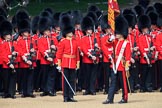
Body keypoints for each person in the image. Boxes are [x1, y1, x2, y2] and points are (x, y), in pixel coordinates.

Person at [103, 15, 131, 104]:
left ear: (122, 33)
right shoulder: (115, 41)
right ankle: (110, 99)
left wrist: (127, 66)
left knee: (123, 84)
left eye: (118, 33)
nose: (116, 35)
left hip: (122, 65)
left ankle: (125, 98)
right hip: (115, 65)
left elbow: (128, 56)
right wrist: (110, 39)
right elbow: (107, 44)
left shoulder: (126, 43)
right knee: (113, 83)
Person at [56, 14, 79, 102]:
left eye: (71, 32)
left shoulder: (75, 42)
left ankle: (71, 96)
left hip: (72, 62)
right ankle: (65, 96)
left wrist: (77, 63)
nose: (71, 33)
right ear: (66, 33)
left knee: (72, 80)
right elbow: (59, 53)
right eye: (69, 32)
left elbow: (76, 53)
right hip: (65, 62)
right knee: (65, 81)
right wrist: (58, 64)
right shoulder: (63, 42)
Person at [38, 16, 58, 97]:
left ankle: (50, 89)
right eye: (46, 30)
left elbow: (58, 47)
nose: (48, 32)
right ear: (43, 31)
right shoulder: (41, 40)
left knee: (52, 76)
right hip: (45, 60)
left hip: (53, 59)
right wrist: (47, 57)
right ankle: (45, 89)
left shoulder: (53, 39)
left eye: (48, 30)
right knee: (45, 76)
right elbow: (41, 50)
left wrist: (55, 48)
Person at [17, 19, 36, 98]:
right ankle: (24, 92)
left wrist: (33, 51)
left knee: (30, 78)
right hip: (24, 62)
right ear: (22, 33)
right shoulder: (19, 41)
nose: (27, 33)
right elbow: (20, 52)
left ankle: (30, 91)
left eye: (28, 32)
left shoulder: (31, 40)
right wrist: (26, 60)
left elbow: (35, 49)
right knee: (24, 78)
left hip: (31, 61)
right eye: (26, 32)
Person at [0, 20, 19, 99]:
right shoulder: (3, 44)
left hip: (13, 63)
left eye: (9, 34)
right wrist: (8, 63)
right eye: (7, 35)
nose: (9, 36)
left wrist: (16, 53)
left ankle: (12, 93)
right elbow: (2, 54)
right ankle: (6, 93)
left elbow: (18, 52)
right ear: (4, 36)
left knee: (13, 79)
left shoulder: (13, 43)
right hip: (6, 64)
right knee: (6, 79)